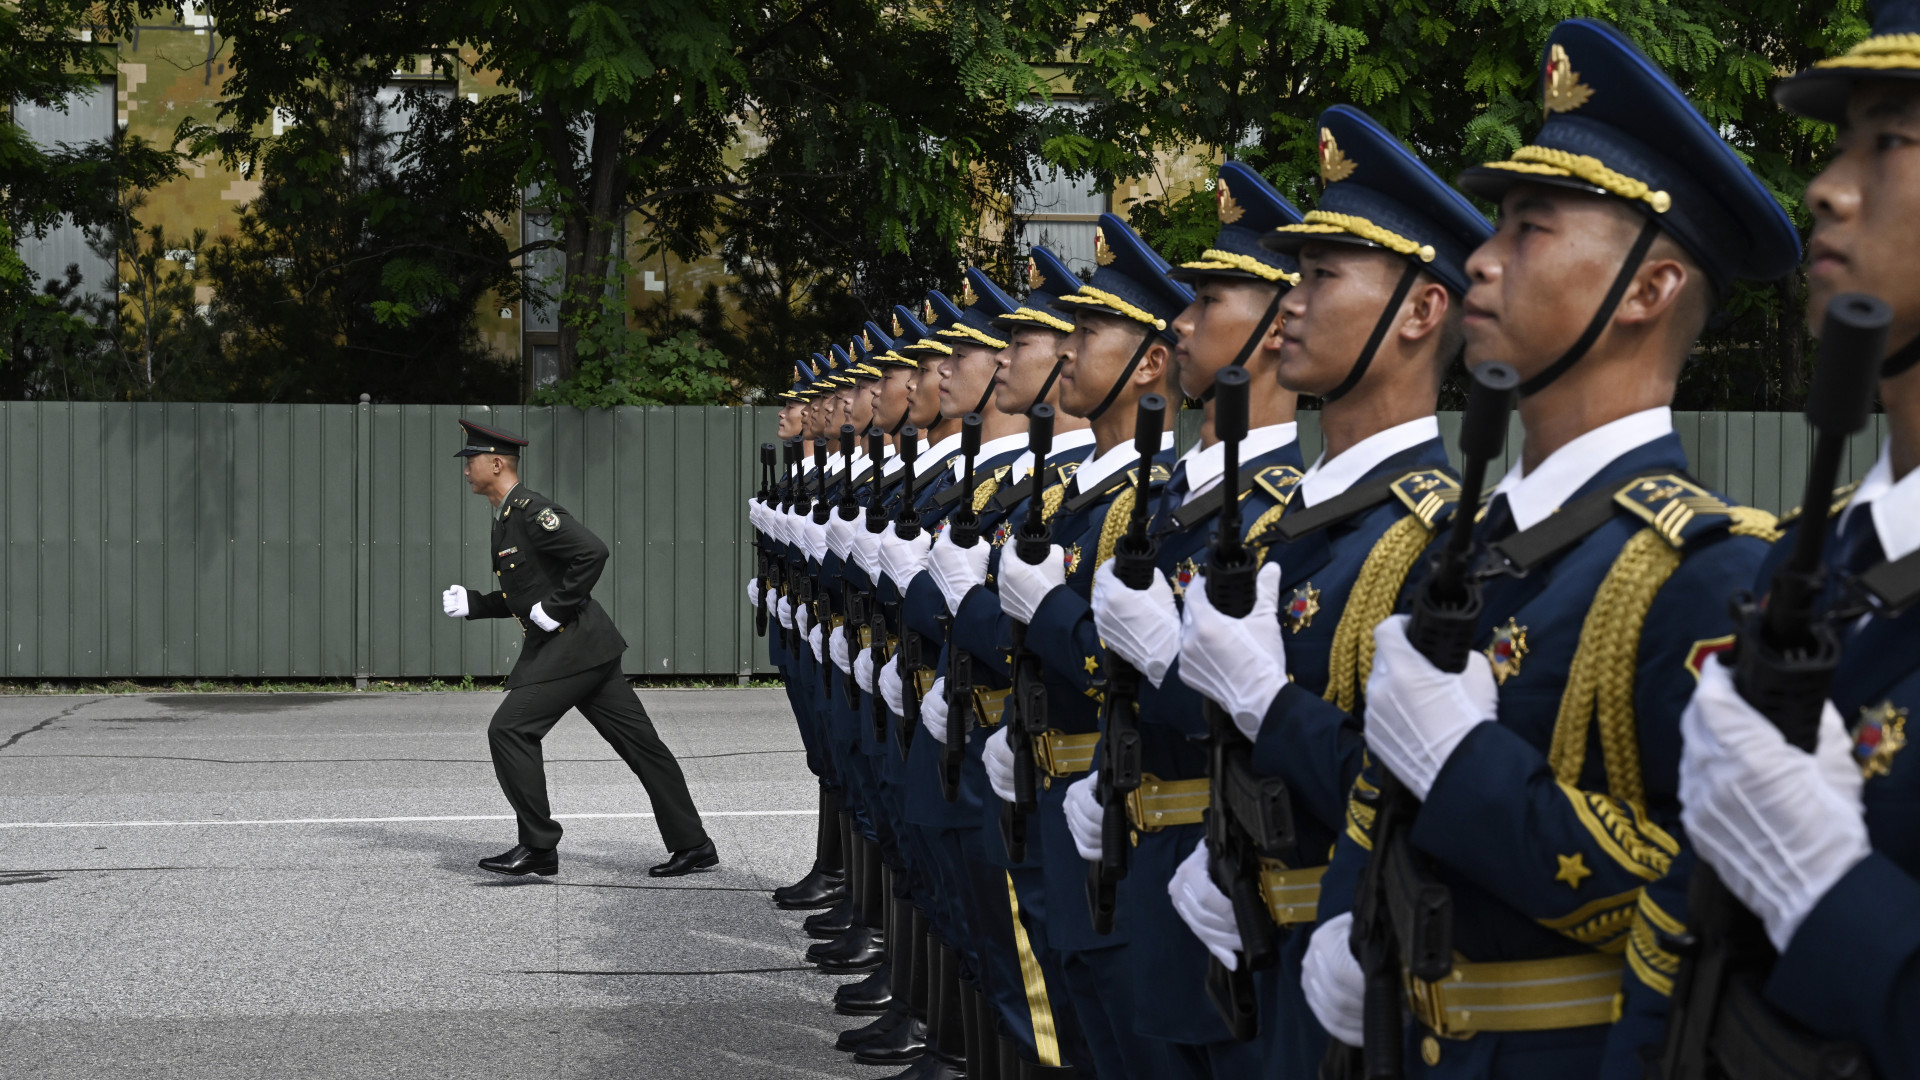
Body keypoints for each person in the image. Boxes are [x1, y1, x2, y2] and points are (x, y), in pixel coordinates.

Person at [1299, 19, 1800, 1077]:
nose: (1480, 260)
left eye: (1530, 230)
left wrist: (1469, 771)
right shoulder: (1473, 546)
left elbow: (1721, 901)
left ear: (1652, 290)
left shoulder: (1703, 573)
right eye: (1496, 226)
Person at [1166, 134, 1491, 1080]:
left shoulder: (1431, 537)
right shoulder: (1301, 517)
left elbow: (1403, 784)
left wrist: (1267, 703)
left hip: (1340, 981)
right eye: (1290, 274)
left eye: (1319, 276)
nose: (1289, 303)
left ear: (1423, 309)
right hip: (1242, 944)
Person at [1670, 6, 1920, 1073]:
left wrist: (1831, 894)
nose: (1826, 185)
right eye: (1842, 141)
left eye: (1890, 143)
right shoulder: (1810, 560)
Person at [441, 418, 716, 878]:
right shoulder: (505, 517)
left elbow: (593, 551)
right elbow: (524, 592)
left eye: (471, 461)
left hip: (571, 645)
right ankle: (694, 844)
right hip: (588, 647)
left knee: (510, 730)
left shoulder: (532, 510)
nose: (465, 470)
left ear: (495, 462)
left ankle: (539, 847)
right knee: (643, 747)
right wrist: (476, 604)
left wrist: (558, 605)